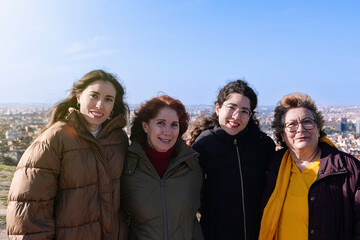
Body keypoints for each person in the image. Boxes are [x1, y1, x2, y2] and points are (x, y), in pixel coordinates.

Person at [6, 70, 129, 239]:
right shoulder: (54, 139)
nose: (100, 105)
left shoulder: (119, 140)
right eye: (94, 96)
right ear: (79, 97)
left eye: (108, 99)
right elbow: (29, 210)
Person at [259, 93, 360, 240]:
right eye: (292, 124)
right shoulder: (273, 167)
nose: (300, 129)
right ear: (282, 134)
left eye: (307, 122)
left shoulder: (348, 169)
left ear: (318, 129)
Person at [187, 80, 276, 240]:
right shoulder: (203, 146)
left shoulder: (263, 145)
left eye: (244, 111)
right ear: (218, 108)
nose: (236, 116)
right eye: (232, 107)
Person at [121, 95, 204, 240]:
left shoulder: (192, 165)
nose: (168, 132)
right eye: (161, 123)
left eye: (174, 125)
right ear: (145, 126)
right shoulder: (126, 166)